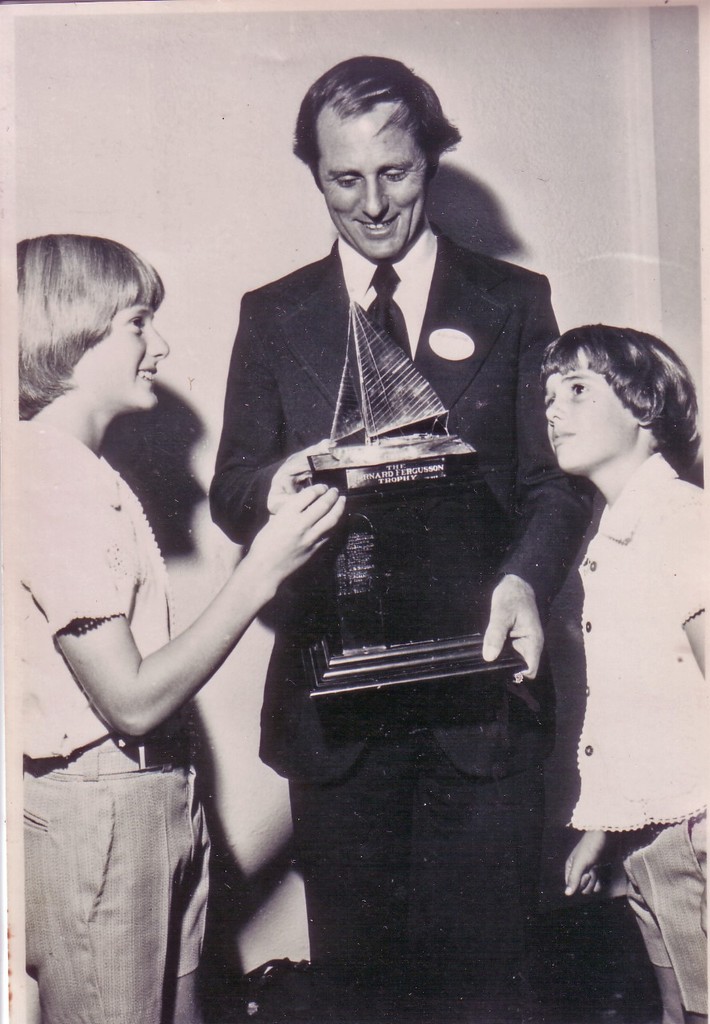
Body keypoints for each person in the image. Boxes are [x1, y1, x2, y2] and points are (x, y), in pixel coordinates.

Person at [210, 56, 590, 1016]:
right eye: (345, 178)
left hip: (481, 705)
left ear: (433, 161)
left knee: (490, 990)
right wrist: (288, 479)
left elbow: (555, 486)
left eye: (397, 172)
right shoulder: (275, 313)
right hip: (337, 719)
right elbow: (231, 490)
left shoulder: (515, 300)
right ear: (314, 174)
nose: (373, 203)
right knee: (362, 995)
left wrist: (521, 586)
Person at [17, 233, 344, 1024]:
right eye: (137, 323)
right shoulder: (47, 479)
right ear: (71, 333)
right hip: (103, 806)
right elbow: (127, 703)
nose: (158, 345)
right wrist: (260, 570)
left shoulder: (82, 473)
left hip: (156, 793)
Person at [543, 325, 706, 1024]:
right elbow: (627, 707)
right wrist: (602, 832)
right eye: (546, 395)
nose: (551, 409)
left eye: (576, 390)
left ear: (644, 404)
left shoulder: (681, 519)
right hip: (649, 836)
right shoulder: (612, 534)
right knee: (675, 1007)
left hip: (695, 827)